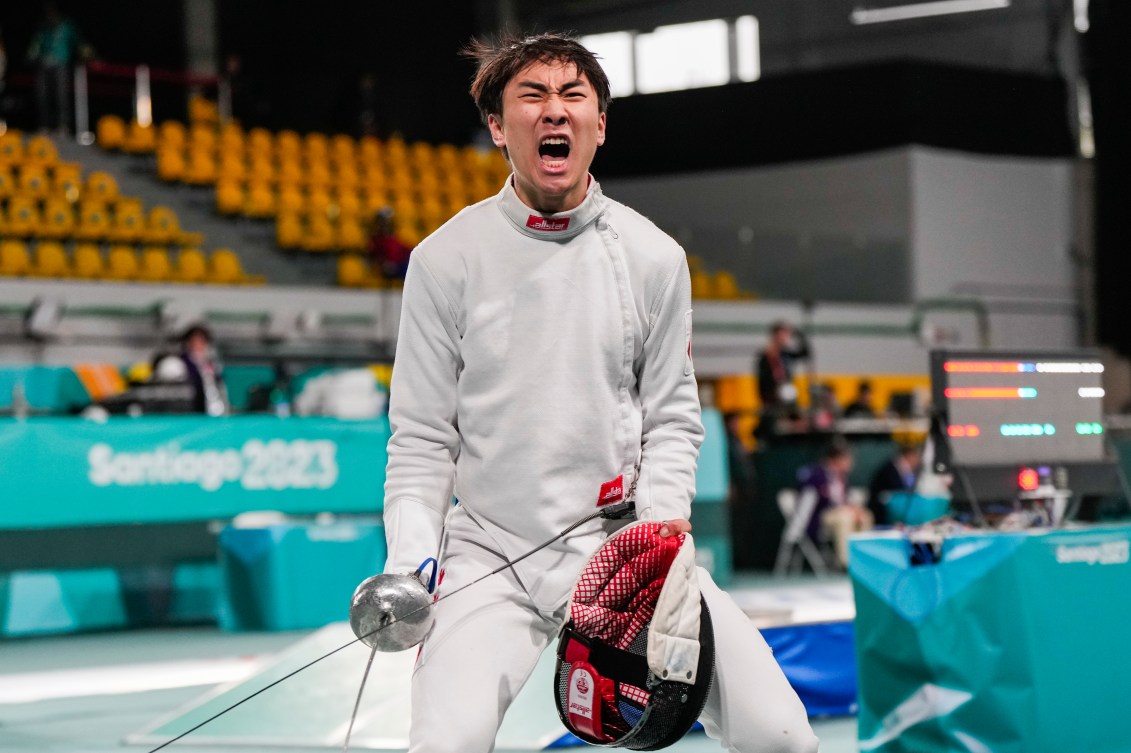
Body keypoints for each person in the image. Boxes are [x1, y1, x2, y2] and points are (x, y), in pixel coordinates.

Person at [381, 32, 817, 753]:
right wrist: (411, 556)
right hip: (492, 551)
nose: (554, 112)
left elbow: (674, 417)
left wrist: (658, 531)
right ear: (497, 126)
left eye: (571, 95)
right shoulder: (444, 259)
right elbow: (423, 438)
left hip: (621, 548)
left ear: (600, 124)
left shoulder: (652, 256)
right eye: (532, 96)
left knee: (782, 735)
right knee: (443, 744)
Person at [796, 437, 872, 570]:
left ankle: (861, 560)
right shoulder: (816, 475)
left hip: (840, 513)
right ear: (835, 460)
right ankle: (845, 563)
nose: (850, 463)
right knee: (844, 517)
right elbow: (811, 501)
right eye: (846, 459)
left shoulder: (842, 477)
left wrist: (855, 510)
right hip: (820, 517)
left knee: (865, 516)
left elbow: (844, 499)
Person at [27, 2, 85, 135]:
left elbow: (78, 42)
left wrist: (84, 53)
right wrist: (32, 55)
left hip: (60, 63)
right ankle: (44, 125)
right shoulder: (43, 27)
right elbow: (36, 44)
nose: (50, 15)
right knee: (42, 95)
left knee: (61, 95)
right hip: (44, 64)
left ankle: (62, 125)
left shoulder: (67, 26)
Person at [153, 324, 229, 416]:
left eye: (202, 341)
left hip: (210, 413)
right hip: (187, 415)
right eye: (194, 341)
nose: (198, 345)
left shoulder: (212, 365)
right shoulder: (177, 365)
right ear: (187, 343)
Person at [755, 320, 810, 438]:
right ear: (775, 336)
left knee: (800, 423)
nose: (785, 338)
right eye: (782, 335)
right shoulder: (767, 356)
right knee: (776, 425)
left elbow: (805, 353)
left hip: (788, 396)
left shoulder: (786, 354)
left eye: (787, 335)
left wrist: (799, 336)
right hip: (773, 400)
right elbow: (762, 381)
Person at [867, 442, 923, 526]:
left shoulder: (907, 471)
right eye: (917, 457)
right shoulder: (890, 469)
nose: (918, 461)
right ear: (910, 456)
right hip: (882, 514)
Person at [366, 206, 413, 280]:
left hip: (400, 265)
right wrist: (383, 264)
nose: (387, 223)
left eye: (388, 220)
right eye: (385, 220)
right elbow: (373, 256)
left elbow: (405, 250)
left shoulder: (393, 236)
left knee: (413, 268)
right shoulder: (376, 239)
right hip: (387, 268)